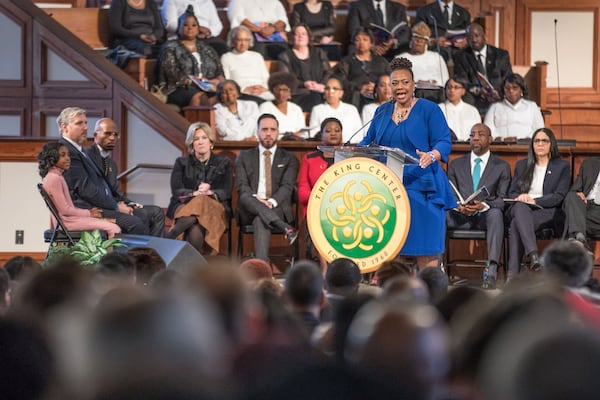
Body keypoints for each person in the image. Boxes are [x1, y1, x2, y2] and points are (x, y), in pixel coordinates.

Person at [359, 57, 456, 269]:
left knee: (425, 251)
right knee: (395, 252)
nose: (400, 87)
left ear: (414, 84)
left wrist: (432, 155)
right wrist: (351, 151)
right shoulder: (382, 112)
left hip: (424, 187)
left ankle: (430, 296)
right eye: (395, 83)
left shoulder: (430, 110)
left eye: (405, 82)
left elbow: (444, 141)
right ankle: (398, 298)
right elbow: (367, 142)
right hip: (391, 190)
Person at [58, 107, 148, 235]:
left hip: (95, 206)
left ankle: (147, 254)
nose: (85, 127)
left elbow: (100, 185)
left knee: (143, 216)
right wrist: (116, 207)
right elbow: (86, 189)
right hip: (84, 209)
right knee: (135, 223)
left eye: (85, 123)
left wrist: (119, 204)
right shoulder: (67, 151)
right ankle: (127, 256)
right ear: (65, 127)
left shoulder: (80, 151)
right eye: (79, 123)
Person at [446, 123, 511, 289]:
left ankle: (492, 272)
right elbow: (450, 193)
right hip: (460, 216)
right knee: (439, 213)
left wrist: (483, 205)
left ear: (490, 139)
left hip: (484, 216)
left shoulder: (501, 166)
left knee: (496, 214)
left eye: (480, 134)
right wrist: (457, 205)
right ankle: (438, 269)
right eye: (472, 134)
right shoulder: (456, 164)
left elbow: (503, 199)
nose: (475, 137)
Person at [506, 127, 571, 280]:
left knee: (516, 224)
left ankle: (512, 276)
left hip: (547, 211)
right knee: (520, 208)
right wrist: (522, 196)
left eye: (544, 141)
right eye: (537, 141)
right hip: (523, 209)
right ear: (532, 145)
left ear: (551, 145)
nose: (540, 144)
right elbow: (512, 192)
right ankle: (533, 256)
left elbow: (559, 196)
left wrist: (534, 200)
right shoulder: (523, 165)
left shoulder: (562, 167)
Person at [86, 118, 165, 237]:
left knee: (156, 212)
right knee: (141, 214)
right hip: (99, 208)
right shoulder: (87, 156)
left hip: (114, 205)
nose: (112, 138)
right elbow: (92, 192)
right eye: (107, 133)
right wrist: (117, 207)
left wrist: (131, 204)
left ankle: (154, 251)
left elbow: (116, 192)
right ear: (95, 135)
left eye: (115, 134)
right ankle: (139, 253)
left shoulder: (111, 163)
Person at [235, 113, 299, 261]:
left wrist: (270, 202)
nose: (268, 133)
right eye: (264, 129)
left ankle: (261, 270)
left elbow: (287, 187)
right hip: (249, 207)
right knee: (246, 196)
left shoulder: (289, 158)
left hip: (277, 207)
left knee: (260, 219)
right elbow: (242, 187)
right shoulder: (244, 157)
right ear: (257, 132)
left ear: (278, 132)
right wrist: (257, 201)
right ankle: (285, 228)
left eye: (272, 129)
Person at [167, 122, 232, 255]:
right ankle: (193, 269)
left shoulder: (223, 163)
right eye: (196, 139)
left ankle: (174, 233)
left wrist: (210, 192)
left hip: (215, 207)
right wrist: (194, 193)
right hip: (185, 206)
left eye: (204, 138)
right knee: (195, 227)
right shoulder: (181, 163)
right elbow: (176, 190)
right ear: (191, 143)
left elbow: (226, 191)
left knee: (203, 199)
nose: (201, 142)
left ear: (210, 141)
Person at [38, 142, 121, 238]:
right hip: (68, 222)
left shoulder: (57, 176)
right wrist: (89, 213)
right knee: (114, 229)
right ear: (52, 158)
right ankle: (109, 254)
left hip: (71, 219)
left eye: (68, 155)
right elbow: (65, 210)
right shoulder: (54, 178)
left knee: (111, 222)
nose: (68, 158)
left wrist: (90, 214)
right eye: (63, 155)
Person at [298, 117, 343, 272]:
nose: (333, 134)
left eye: (337, 130)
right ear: (321, 134)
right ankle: (324, 268)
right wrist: (321, 200)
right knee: (320, 222)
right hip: (316, 209)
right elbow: (302, 192)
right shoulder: (310, 159)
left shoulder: (349, 159)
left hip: (344, 208)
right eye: (328, 130)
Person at [157, 6, 224, 109]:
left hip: (207, 87)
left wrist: (218, 81)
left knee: (226, 94)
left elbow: (219, 72)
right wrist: (193, 82)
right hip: (178, 88)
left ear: (198, 28)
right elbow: (170, 73)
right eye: (185, 25)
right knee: (200, 97)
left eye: (194, 25)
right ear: (179, 27)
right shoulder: (170, 47)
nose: (190, 28)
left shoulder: (207, 48)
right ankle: (197, 124)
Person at [453, 23, 513, 114]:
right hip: (475, 97)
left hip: (498, 95)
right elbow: (462, 81)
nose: (473, 39)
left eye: (477, 36)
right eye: (470, 37)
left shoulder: (501, 55)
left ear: (484, 36)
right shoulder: (461, 56)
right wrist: (480, 91)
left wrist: (498, 92)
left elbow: (508, 78)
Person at [278, 24, 332, 112]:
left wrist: (322, 84)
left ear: (308, 37)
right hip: (298, 93)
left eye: (303, 34)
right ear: (292, 37)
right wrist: (304, 84)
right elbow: (286, 79)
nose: (300, 36)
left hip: (320, 90)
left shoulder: (319, 52)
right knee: (315, 98)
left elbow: (329, 72)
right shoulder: (284, 56)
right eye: (297, 34)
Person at [335, 27, 391, 111]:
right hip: (356, 96)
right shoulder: (346, 61)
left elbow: (391, 77)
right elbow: (341, 81)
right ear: (354, 43)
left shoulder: (381, 61)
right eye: (357, 40)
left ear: (371, 43)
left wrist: (377, 87)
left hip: (379, 95)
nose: (361, 43)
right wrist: (360, 87)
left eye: (365, 40)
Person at [397, 22, 448, 102]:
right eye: (416, 38)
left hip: (435, 93)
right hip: (413, 93)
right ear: (411, 40)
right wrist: (416, 82)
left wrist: (431, 82)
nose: (418, 42)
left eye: (421, 40)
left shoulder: (436, 57)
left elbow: (445, 79)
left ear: (426, 42)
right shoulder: (401, 58)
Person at [484, 73, 545, 141]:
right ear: (503, 90)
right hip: (501, 146)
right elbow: (487, 130)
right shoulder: (495, 107)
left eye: (515, 88)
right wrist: (502, 139)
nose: (511, 91)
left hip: (527, 145)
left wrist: (527, 140)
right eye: (507, 88)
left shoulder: (532, 106)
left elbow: (539, 129)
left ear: (521, 90)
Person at [220, 26, 274, 103]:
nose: (243, 43)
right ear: (232, 41)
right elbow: (227, 81)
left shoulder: (257, 56)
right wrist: (243, 89)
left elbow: (266, 78)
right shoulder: (226, 57)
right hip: (242, 93)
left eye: (246, 40)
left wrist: (264, 88)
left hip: (261, 91)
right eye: (239, 40)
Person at [346, 0, 411, 60]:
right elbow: (353, 31)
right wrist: (371, 46)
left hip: (393, 48)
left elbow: (406, 31)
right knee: (353, 48)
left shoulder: (399, 8)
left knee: (405, 46)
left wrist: (394, 42)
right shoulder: (357, 6)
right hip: (368, 47)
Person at [161, 0, 228, 55]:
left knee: (221, 47)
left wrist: (208, 32)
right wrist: (196, 29)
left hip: (206, 38)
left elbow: (218, 25)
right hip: (182, 38)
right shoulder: (171, 1)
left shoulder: (207, 2)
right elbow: (170, 25)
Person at [308, 76, 363, 142]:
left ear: (341, 93)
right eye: (327, 89)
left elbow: (359, 134)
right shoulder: (317, 110)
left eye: (335, 88)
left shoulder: (352, 109)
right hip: (325, 148)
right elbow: (314, 134)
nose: (331, 92)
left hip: (350, 148)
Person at [562, 157, 600, 250]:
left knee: (572, 219)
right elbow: (575, 190)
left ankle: (577, 240)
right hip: (585, 207)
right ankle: (579, 239)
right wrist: (578, 193)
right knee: (572, 196)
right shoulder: (589, 163)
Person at [259, 72, 307, 137]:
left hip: (295, 143)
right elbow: (263, 130)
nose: (280, 93)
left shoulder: (296, 109)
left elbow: (302, 132)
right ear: (272, 90)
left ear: (291, 91)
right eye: (277, 89)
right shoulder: (265, 107)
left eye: (285, 90)